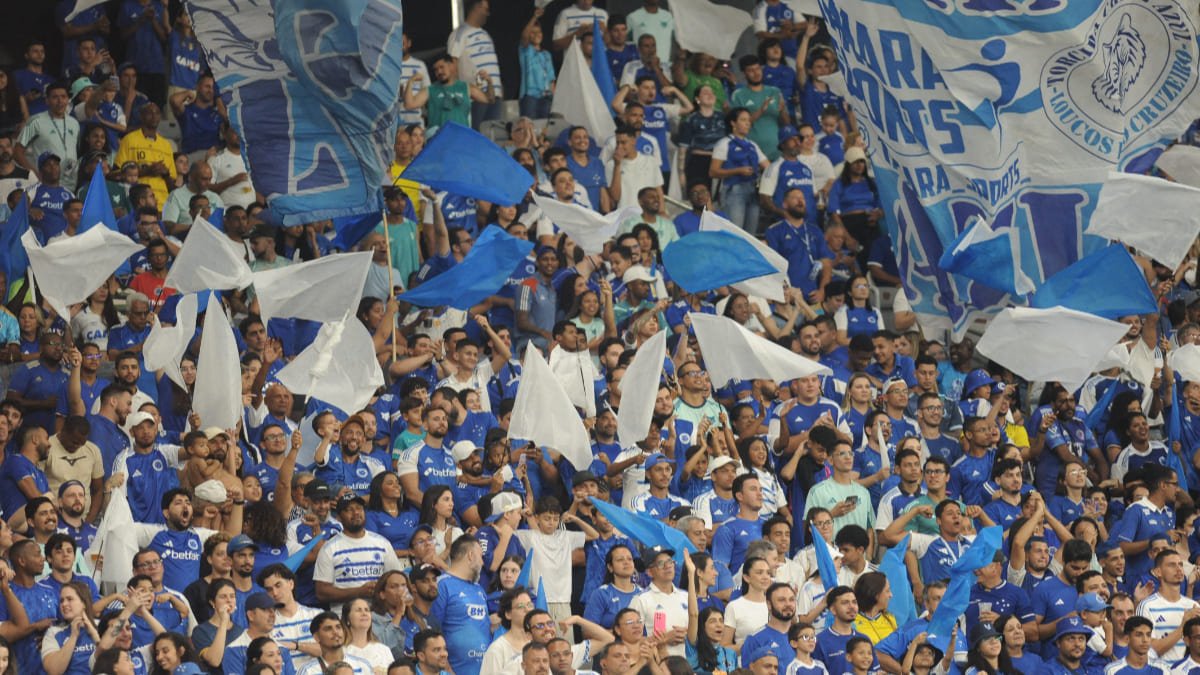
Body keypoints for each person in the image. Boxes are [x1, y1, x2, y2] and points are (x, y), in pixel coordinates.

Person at [315, 493, 403, 614]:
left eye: (359, 508)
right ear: (339, 517)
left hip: (381, 617)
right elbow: (321, 592)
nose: (356, 512)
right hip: (345, 617)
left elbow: (398, 579)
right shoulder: (329, 548)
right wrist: (358, 592)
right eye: (349, 510)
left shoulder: (382, 543)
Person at [427, 536, 491, 675]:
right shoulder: (442, 585)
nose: (482, 563)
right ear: (471, 555)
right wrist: (447, 670)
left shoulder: (479, 589)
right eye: (480, 556)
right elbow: (432, 632)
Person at [709, 107, 769, 234]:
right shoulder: (724, 143)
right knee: (735, 231)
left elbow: (768, 167)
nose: (748, 123)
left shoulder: (752, 145)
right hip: (733, 190)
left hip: (753, 190)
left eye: (749, 120)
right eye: (743, 120)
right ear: (733, 123)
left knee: (750, 234)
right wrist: (737, 171)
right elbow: (713, 171)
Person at [296, 612, 373, 675]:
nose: (335, 632)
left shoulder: (363, 666)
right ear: (317, 637)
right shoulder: (307, 671)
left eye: (338, 627)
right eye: (328, 629)